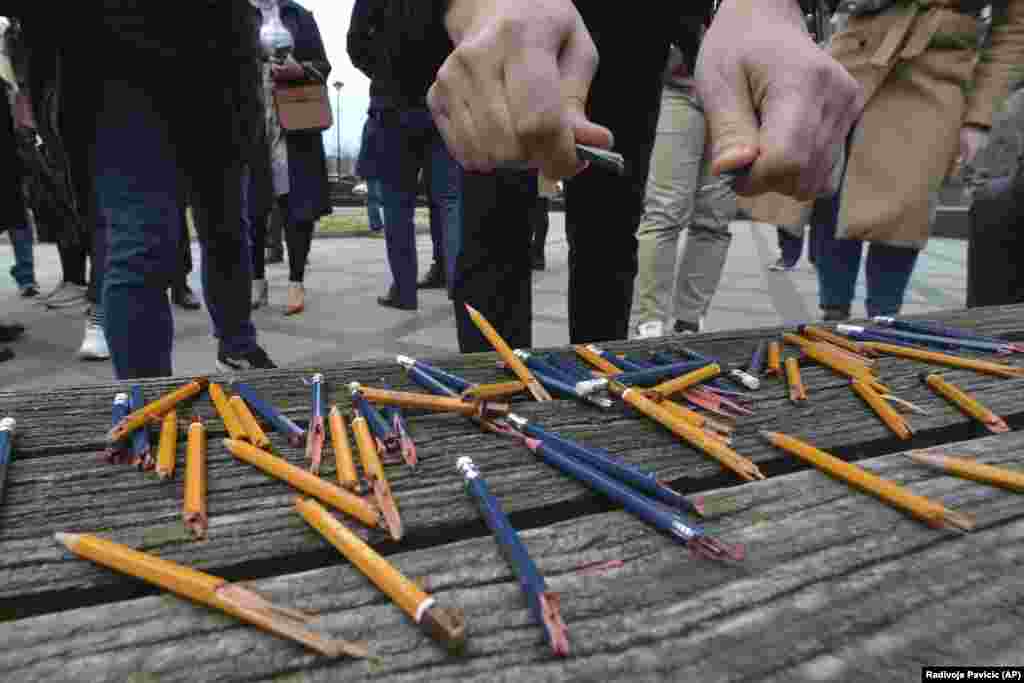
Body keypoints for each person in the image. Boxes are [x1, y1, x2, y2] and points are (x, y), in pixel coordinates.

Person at [12, 2, 277, 379]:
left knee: (228, 230)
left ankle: (237, 346)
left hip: (221, 69)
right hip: (114, 68)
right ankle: (147, 406)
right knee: (141, 248)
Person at [753, 1, 1024, 321]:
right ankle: (833, 313)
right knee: (831, 186)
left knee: (905, 204)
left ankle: (884, 318)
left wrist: (979, 116)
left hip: (940, 69)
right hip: (858, 52)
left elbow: (1012, 30)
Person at [348, 0, 462, 313]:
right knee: (450, 201)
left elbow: (355, 43)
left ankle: (404, 289)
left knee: (398, 205)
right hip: (440, 101)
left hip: (392, 105)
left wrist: (384, 69)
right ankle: (459, 286)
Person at [632, 38, 739, 340]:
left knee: (715, 217)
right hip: (676, 82)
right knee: (665, 210)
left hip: (735, 91)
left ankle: (690, 320)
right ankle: (649, 322)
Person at [530, 175, 557, 271]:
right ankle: (538, 255)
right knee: (541, 210)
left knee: (537, 210)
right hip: (544, 168)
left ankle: (537, 253)